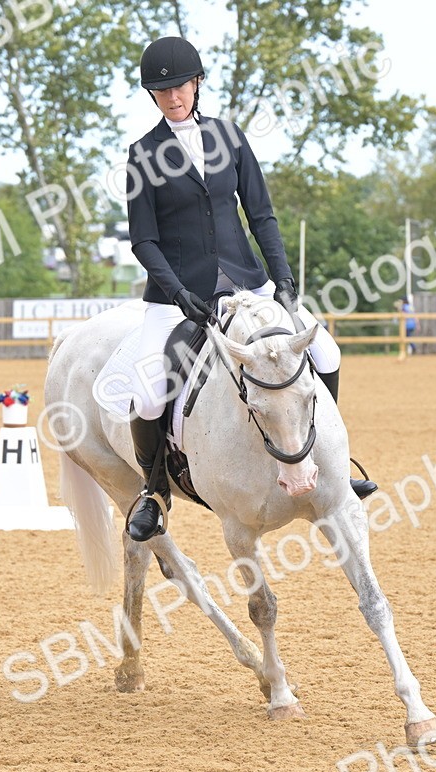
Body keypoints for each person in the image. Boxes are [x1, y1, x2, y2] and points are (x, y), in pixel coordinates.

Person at [123, 35, 376, 542]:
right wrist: (178, 293)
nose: (172, 96)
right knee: (149, 396)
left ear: (197, 83)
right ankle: (154, 492)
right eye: (162, 90)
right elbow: (143, 240)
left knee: (325, 352)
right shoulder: (142, 154)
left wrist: (283, 281)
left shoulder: (229, 137)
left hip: (249, 281)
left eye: (180, 86)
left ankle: (328, 460)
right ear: (152, 95)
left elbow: (261, 214)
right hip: (176, 297)